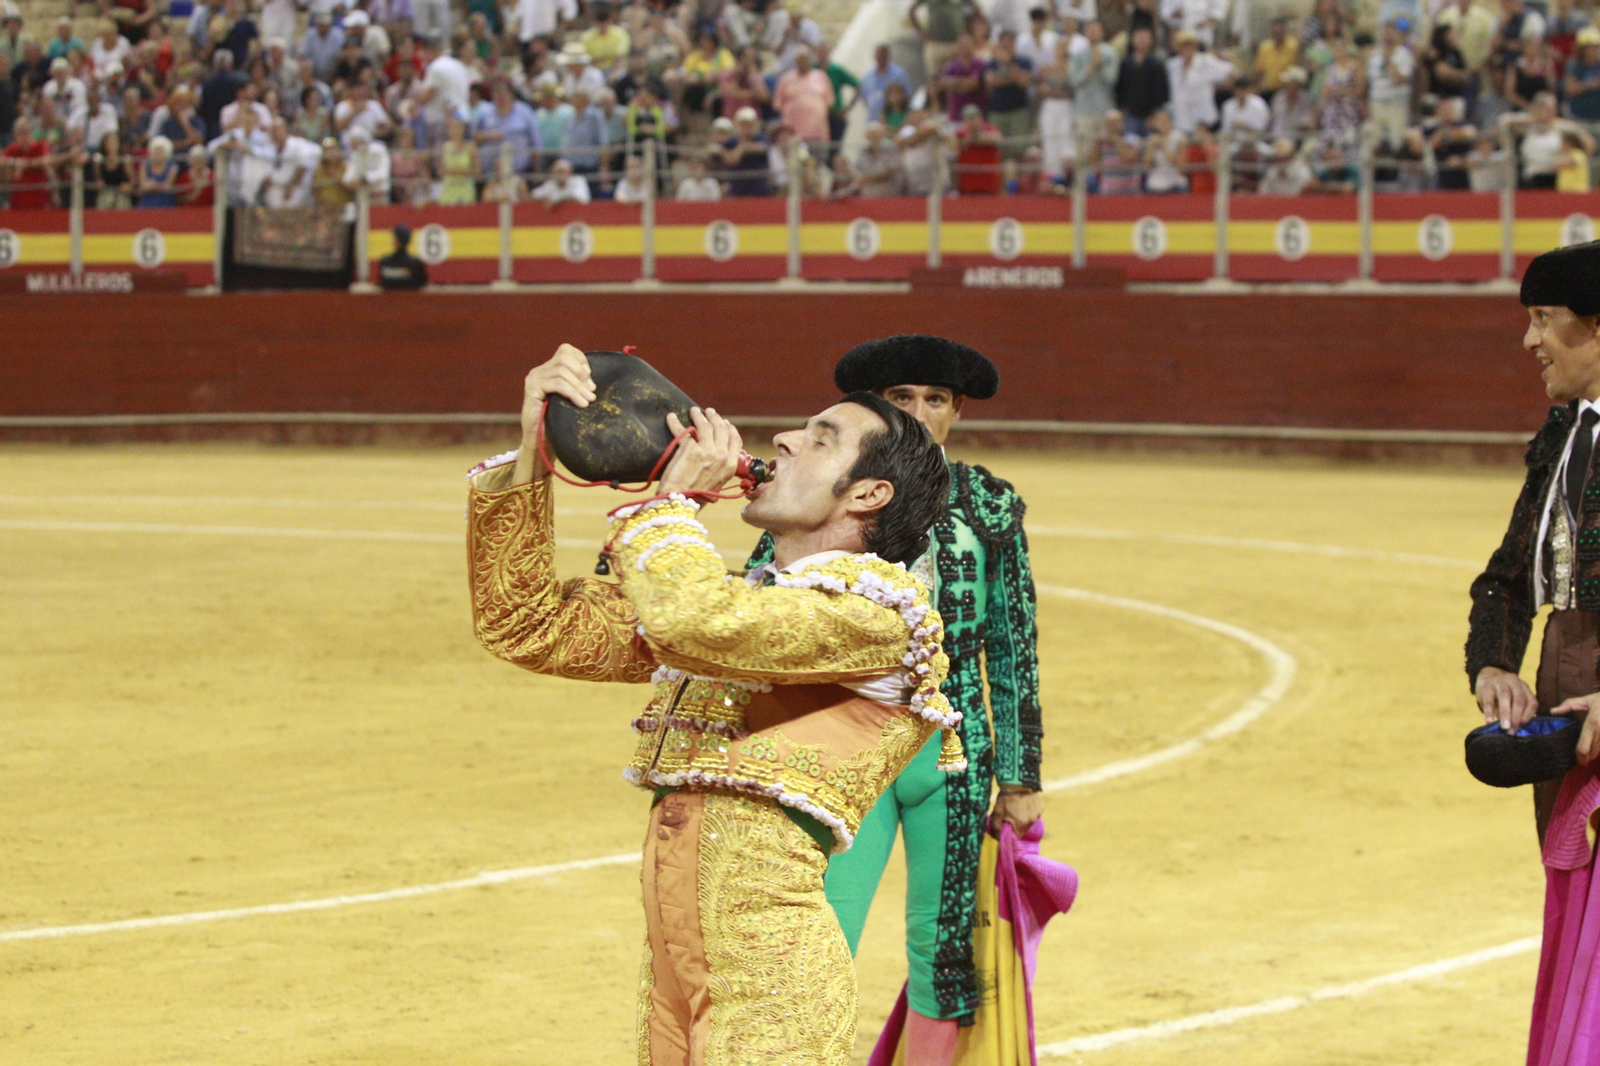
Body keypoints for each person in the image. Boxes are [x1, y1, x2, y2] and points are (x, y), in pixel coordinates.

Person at [467, 344, 957, 1066]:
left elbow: (696, 621)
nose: (783, 439)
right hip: (677, 976)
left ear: (868, 494)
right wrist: (531, 455)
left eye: (821, 439)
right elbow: (528, 625)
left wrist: (670, 505)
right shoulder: (749, 605)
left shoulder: (882, 617)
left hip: (774, 989)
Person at [744, 335, 1042, 1066]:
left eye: (934, 399)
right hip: (845, 748)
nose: (919, 412)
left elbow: (1012, 646)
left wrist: (1021, 778)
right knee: (821, 932)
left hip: (953, 753)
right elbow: (757, 609)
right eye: (901, 398)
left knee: (947, 947)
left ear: (956, 410)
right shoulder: (828, 490)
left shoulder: (990, 505)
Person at [1465, 240, 1600, 1066]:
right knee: (1580, 906)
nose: (1530, 341)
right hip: (1566, 683)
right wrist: (1494, 665)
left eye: (1545, 319)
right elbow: (1509, 576)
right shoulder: (1563, 431)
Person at [1165, 28, 1232, 135]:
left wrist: (1219, 85)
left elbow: (1229, 71)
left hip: (1202, 118)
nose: (1187, 49)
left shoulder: (1205, 61)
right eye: (1184, 46)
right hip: (1180, 118)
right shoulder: (1172, 65)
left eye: (1190, 46)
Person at [1368, 17, 1415, 148]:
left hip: (1396, 105)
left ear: (1396, 34)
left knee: (1397, 143)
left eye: (1390, 33)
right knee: (1372, 143)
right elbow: (1371, 83)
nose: (1387, 37)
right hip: (1376, 104)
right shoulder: (1374, 55)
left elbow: (1399, 79)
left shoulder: (1404, 55)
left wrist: (1389, 60)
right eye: (1385, 33)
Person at [260, 116, 321, 207]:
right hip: (275, 190)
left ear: (285, 129)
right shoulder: (270, 148)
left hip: (294, 189)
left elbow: (304, 165)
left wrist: (291, 186)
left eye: (277, 129)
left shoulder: (298, 144)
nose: (275, 132)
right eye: (273, 130)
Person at [437, 113, 478, 204]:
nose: (455, 130)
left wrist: (457, 171)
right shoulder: (445, 147)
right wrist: (445, 171)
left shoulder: (470, 147)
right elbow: (440, 170)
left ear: (463, 129)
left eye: (457, 127)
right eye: (452, 127)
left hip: (465, 189)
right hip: (448, 190)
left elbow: (477, 171)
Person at [378, 223, 427, 289]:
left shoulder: (385, 262)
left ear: (396, 241)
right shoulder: (416, 263)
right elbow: (423, 285)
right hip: (411, 296)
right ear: (409, 241)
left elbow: (382, 284)